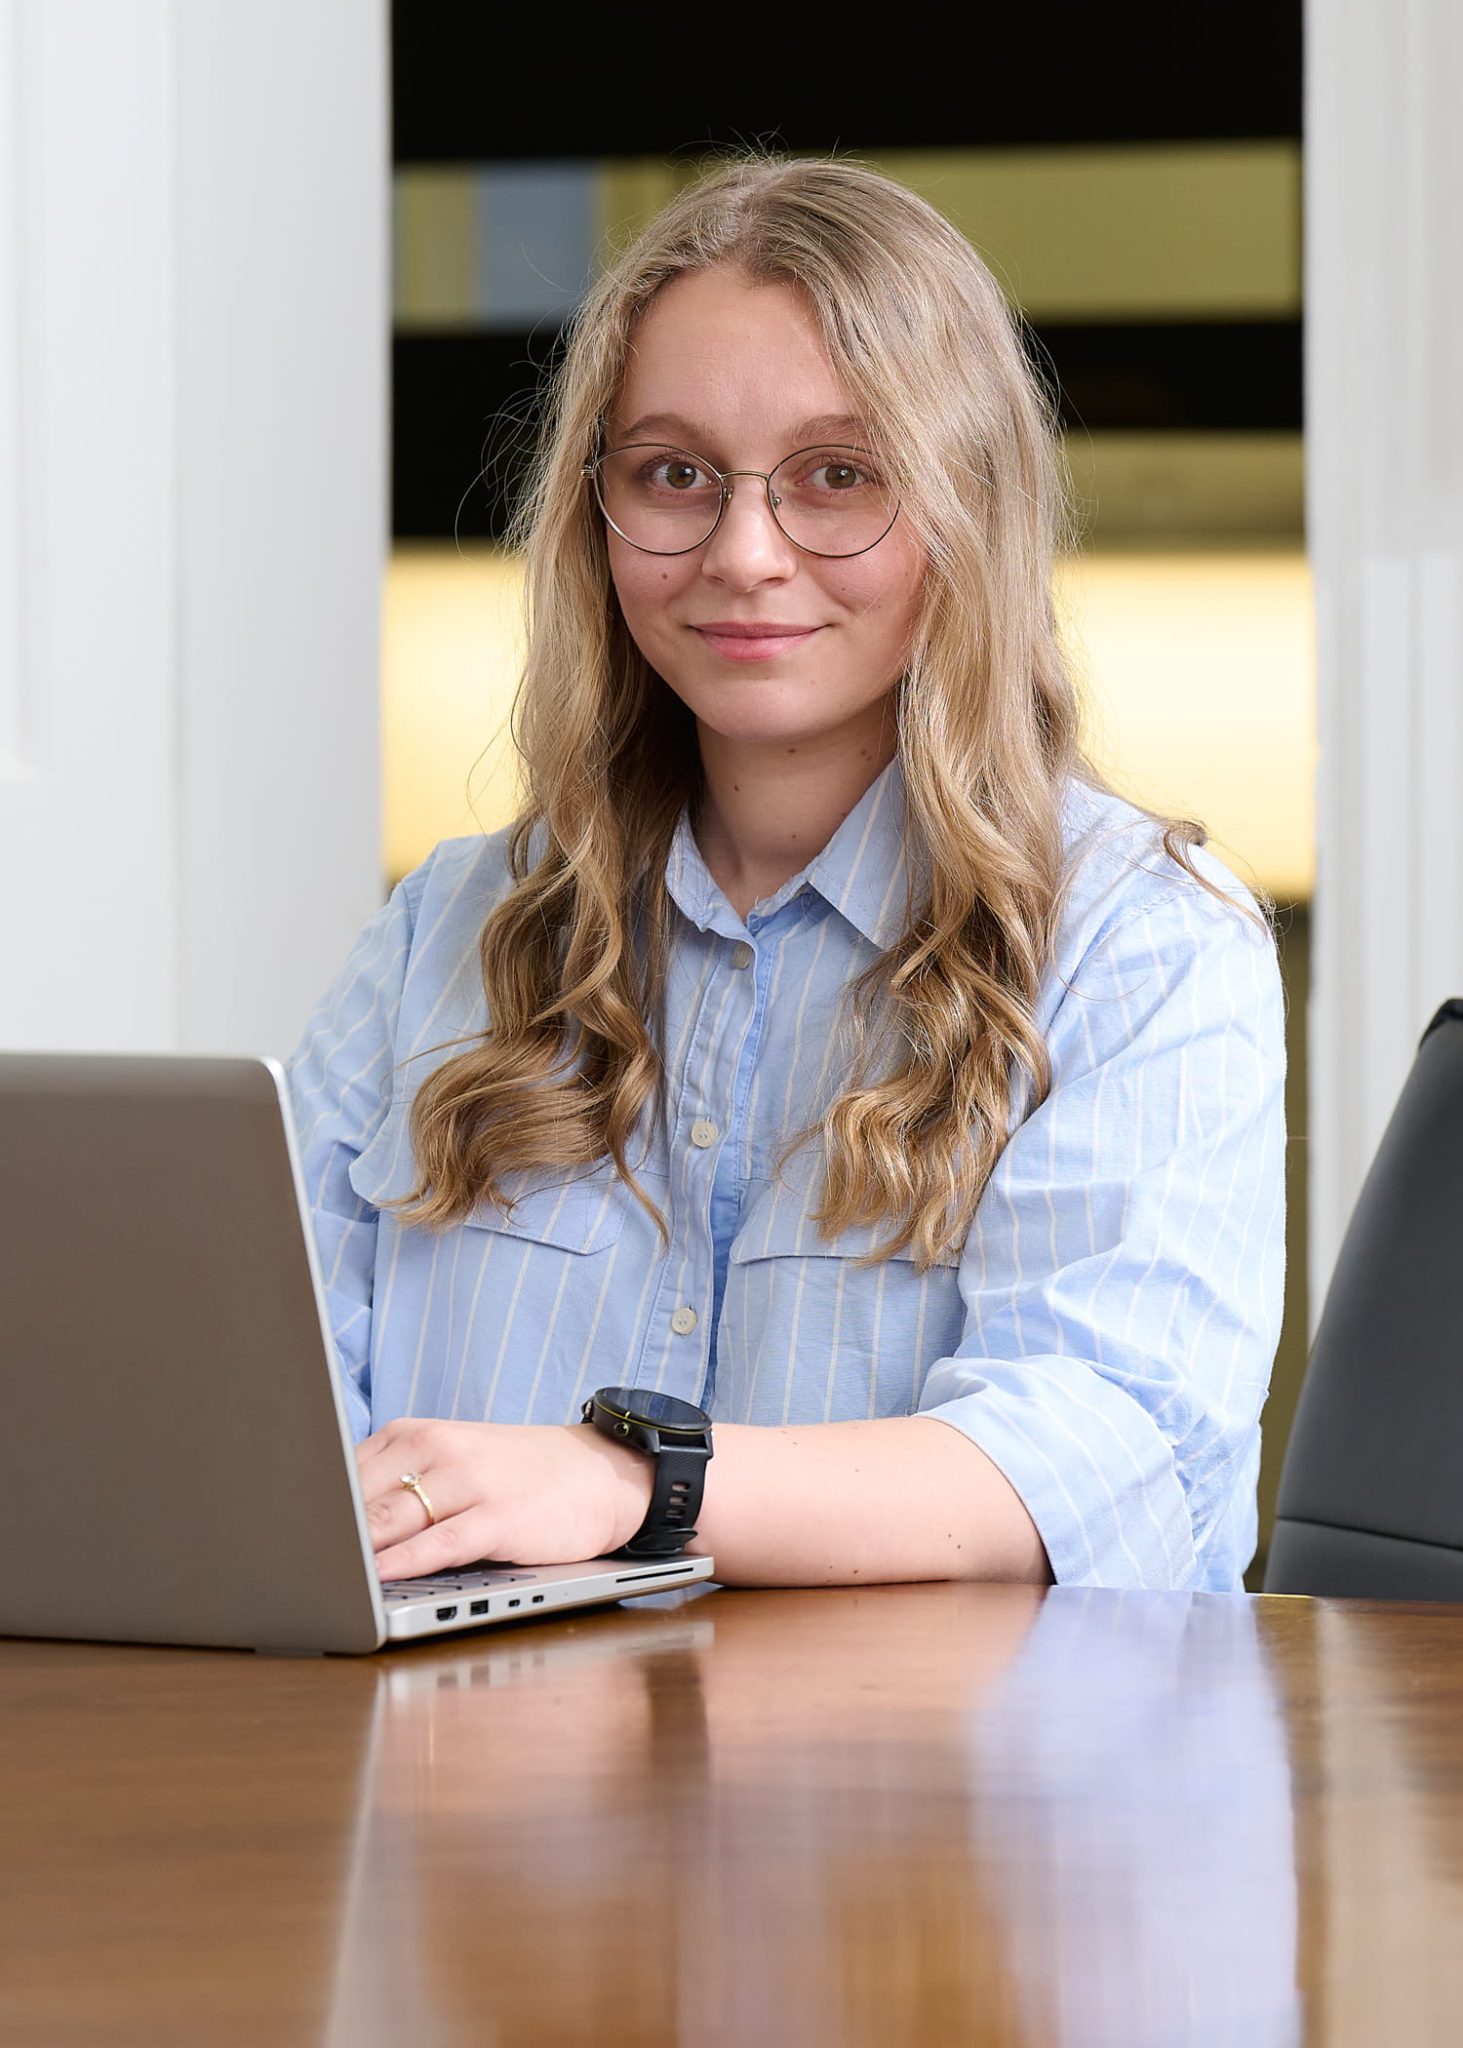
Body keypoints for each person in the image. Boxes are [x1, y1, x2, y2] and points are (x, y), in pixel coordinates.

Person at [288, 157, 1285, 1595]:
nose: (745, 554)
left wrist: (630, 1482)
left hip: (947, 1813)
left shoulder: (1145, 944)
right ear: (598, 511)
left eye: (840, 477)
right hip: (475, 1790)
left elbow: (1094, 1448)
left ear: (963, 503)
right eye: (675, 475)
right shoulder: (446, 929)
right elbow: (270, 1420)